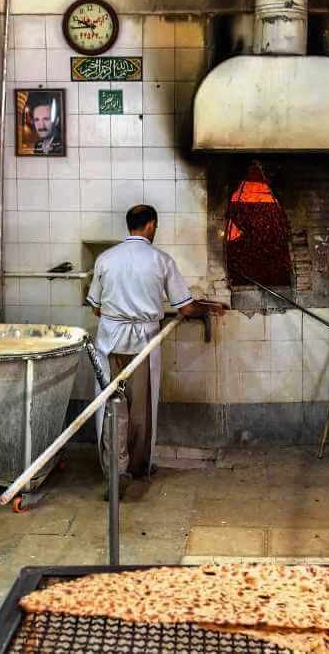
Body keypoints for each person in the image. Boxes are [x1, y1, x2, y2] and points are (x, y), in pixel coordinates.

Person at [87, 205, 222, 499]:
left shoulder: (105, 259)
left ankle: (115, 471)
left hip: (110, 342)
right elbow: (185, 307)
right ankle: (136, 466)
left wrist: (119, 313)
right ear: (150, 226)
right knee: (140, 409)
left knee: (113, 408)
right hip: (143, 343)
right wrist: (208, 308)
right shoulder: (161, 261)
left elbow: (96, 307)